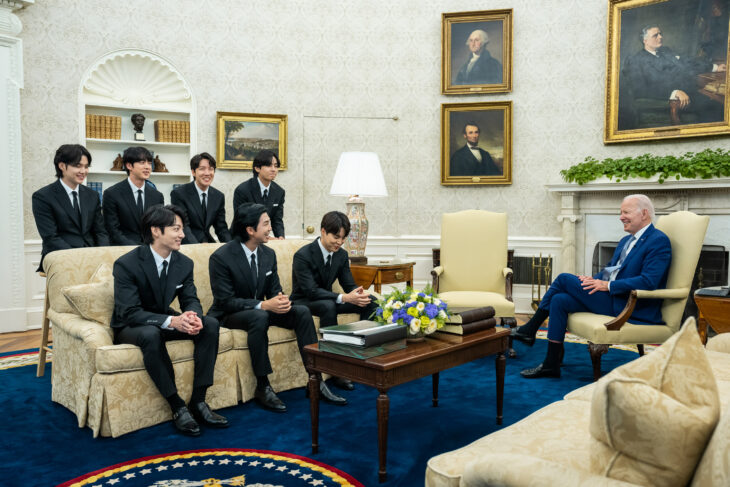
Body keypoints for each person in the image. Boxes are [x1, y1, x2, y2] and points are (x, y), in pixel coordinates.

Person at [511, 194, 672, 379]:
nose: (621, 217)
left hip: (631, 306)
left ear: (644, 214)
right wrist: (592, 280)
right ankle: (551, 363)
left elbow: (648, 281)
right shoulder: (626, 240)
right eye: (620, 212)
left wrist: (608, 285)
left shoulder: (658, 241)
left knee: (564, 278)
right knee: (559, 300)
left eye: (625, 212)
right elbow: (610, 271)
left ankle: (530, 328)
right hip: (614, 298)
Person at [208, 203, 346, 412]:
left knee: (300, 311)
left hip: (261, 309)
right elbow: (225, 300)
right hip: (230, 314)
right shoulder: (221, 257)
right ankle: (263, 386)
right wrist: (263, 304)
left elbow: (274, 290)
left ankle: (315, 380)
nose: (270, 228)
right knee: (260, 317)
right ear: (250, 229)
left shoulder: (268, 254)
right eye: (266, 224)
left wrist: (280, 300)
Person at [110, 205, 228, 436]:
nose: (182, 235)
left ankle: (199, 401)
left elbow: (190, 298)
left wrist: (191, 316)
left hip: (164, 319)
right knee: (150, 334)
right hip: (131, 325)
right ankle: (177, 407)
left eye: (182, 229)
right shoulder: (127, 264)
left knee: (210, 324)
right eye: (176, 229)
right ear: (156, 231)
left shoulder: (184, 263)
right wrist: (172, 321)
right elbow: (129, 312)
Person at [290, 211, 378, 391]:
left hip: (327, 300)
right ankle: (336, 371)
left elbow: (348, 285)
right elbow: (311, 291)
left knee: (371, 302)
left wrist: (357, 294)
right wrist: (344, 297)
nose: (339, 242)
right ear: (323, 231)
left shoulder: (341, 255)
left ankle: (364, 358)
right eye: (336, 237)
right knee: (328, 305)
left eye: (343, 238)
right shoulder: (303, 255)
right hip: (304, 301)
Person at [619, 25, 727, 129]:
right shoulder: (636, 61)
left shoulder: (666, 51)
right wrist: (674, 93)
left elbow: (687, 62)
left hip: (689, 92)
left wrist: (714, 67)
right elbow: (640, 90)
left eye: (660, 34)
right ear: (645, 41)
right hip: (668, 102)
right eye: (655, 35)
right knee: (714, 109)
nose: (660, 37)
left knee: (719, 104)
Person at [32, 144, 109, 272]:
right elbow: (51, 237)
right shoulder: (43, 197)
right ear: (62, 166)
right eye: (77, 166)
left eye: (86, 166)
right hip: (59, 256)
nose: (83, 171)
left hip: (92, 257)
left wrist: (102, 255)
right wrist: (78, 258)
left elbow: (100, 231)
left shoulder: (92, 195)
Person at [103, 146, 164, 245]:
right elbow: (112, 230)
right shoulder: (112, 194)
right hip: (124, 249)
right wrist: (134, 248)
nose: (147, 167)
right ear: (129, 166)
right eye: (142, 162)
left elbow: (159, 227)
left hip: (151, 249)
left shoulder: (157, 196)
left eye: (149, 163)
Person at [171, 152, 231, 244]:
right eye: (202, 169)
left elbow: (221, 228)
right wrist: (198, 248)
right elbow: (184, 226)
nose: (207, 173)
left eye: (211, 169)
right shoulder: (179, 194)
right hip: (186, 243)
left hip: (208, 242)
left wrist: (232, 246)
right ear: (193, 172)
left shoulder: (218, 196)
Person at [232, 150, 285, 238]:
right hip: (243, 238)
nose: (273, 169)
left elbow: (277, 220)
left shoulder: (279, 192)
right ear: (257, 168)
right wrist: (266, 237)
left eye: (276, 166)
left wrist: (280, 237)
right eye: (268, 165)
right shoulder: (242, 190)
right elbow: (242, 222)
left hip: (265, 239)